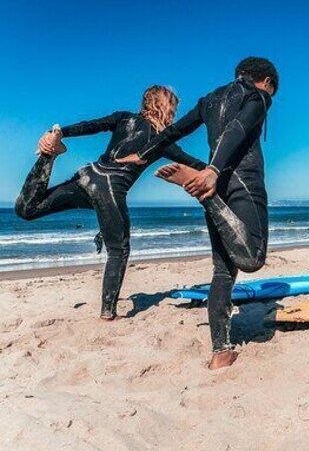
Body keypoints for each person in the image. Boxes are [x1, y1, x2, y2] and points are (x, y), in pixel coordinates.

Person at [116, 57, 277, 370]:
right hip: (237, 181)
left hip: (211, 180)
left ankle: (221, 351)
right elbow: (238, 127)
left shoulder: (209, 100)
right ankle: (207, 198)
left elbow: (172, 132)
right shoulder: (258, 96)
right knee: (253, 257)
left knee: (222, 270)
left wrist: (143, 154)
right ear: (266, 81)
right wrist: (214, 172)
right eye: (272, 89)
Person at [15, 86, 205, 320]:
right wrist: (217, 171)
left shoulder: (123, 117)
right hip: (109, 189)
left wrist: (60, 133)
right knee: (119, 249)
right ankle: (108, 313)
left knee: (27, 209)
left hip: (87, 177)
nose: (173, 116)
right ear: (162, 107)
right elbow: (195, 164)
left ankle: (49, 155)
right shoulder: (162, 140)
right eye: (172, 110)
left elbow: (92, 125)